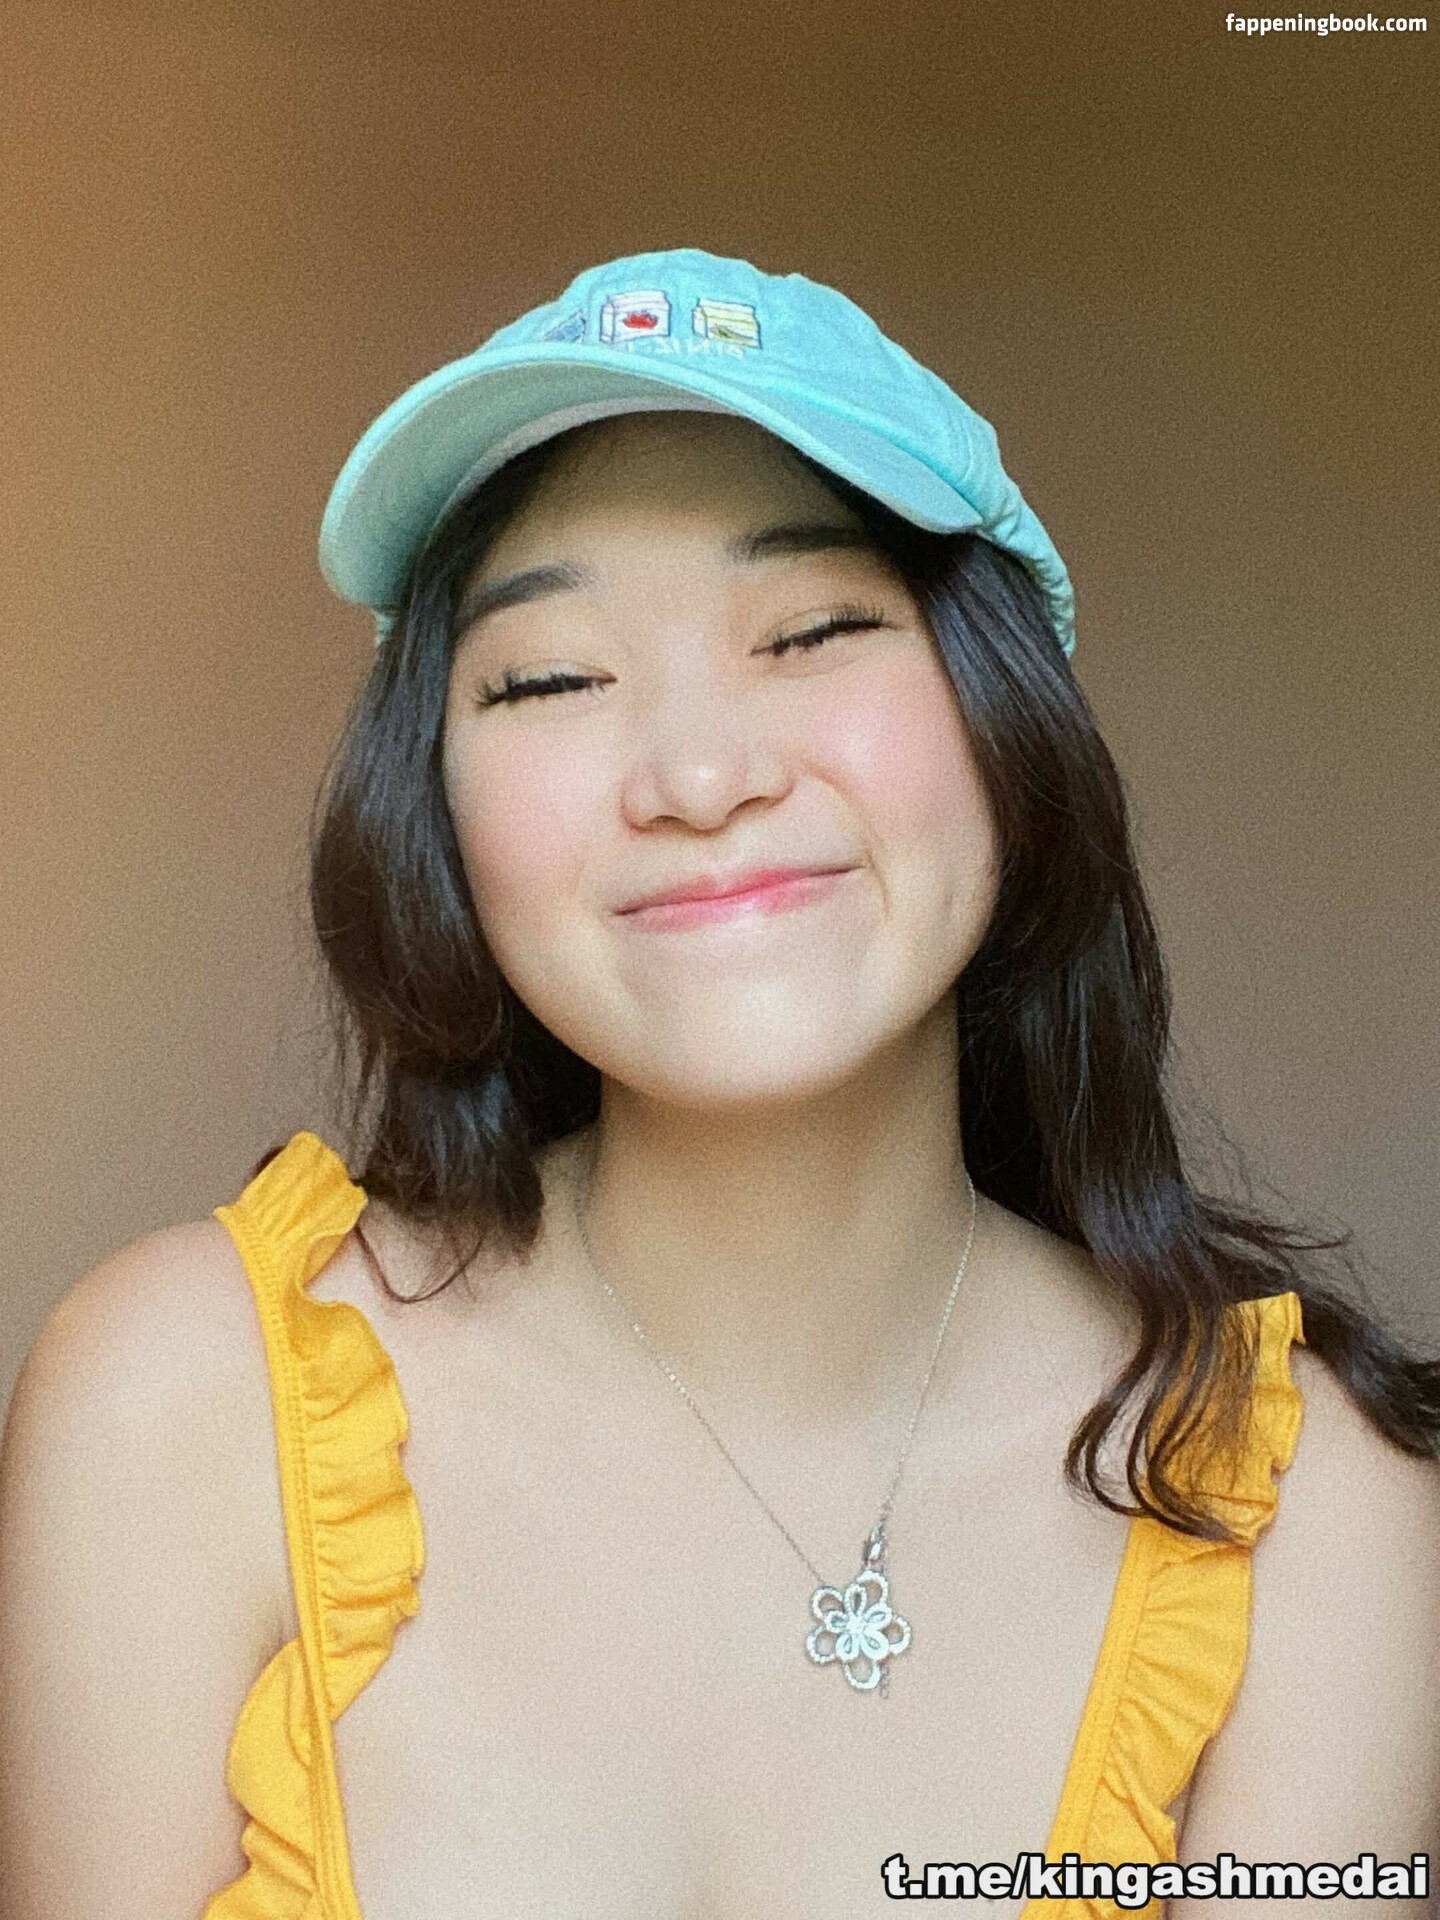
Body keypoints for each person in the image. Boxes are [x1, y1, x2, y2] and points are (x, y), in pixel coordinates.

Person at [1, 248, 1437, 1920]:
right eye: (553, 677)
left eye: (813, 632)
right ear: (435, 811)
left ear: (1009, 721)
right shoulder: (182, 1398)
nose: (696, 774)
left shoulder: (1313, 1517)